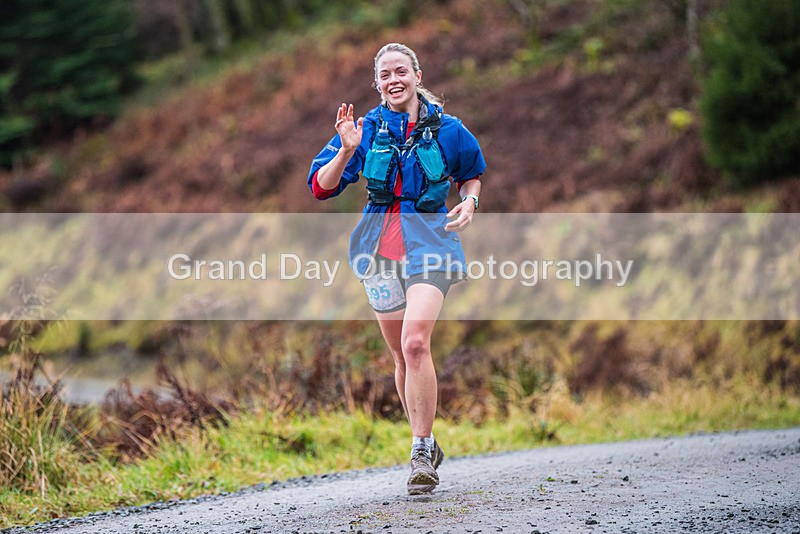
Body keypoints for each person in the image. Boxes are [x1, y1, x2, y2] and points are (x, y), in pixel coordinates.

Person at [307, 42, 486, 495]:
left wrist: (470, 200)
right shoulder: (364, 128)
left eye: (400, 71)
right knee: (400, 356)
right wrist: (346, 151)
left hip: (432, 245)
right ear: (377, 83)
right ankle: (424, 439)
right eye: (384, 74)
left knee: (415, 342)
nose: (393, 79)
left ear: (418, 74)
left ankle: (421, 451)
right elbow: (319, 188)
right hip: (378, 251)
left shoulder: (450, 129)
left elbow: (472, 172)